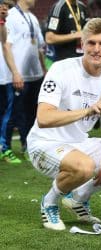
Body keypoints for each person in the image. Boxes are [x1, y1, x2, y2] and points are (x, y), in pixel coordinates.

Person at [26, 18, 101, 231]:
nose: (96, 49)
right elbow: (44, 118)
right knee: (85, 167)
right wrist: (90, 110)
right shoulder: (61, 69)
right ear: (82, 44)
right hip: (44, 143)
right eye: (91, 43)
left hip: (79, 143)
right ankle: (50, 202)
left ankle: (79, 198)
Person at [1, 0, 45, 161]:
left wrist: (42, 68)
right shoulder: (10, 17)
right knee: (13, 113)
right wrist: (15, 73)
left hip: (35, 75)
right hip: (19, 75)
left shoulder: (32, 17)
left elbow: (38, 46)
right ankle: (4, 148)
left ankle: (27, 145)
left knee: (31, 114)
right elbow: (6, 45)